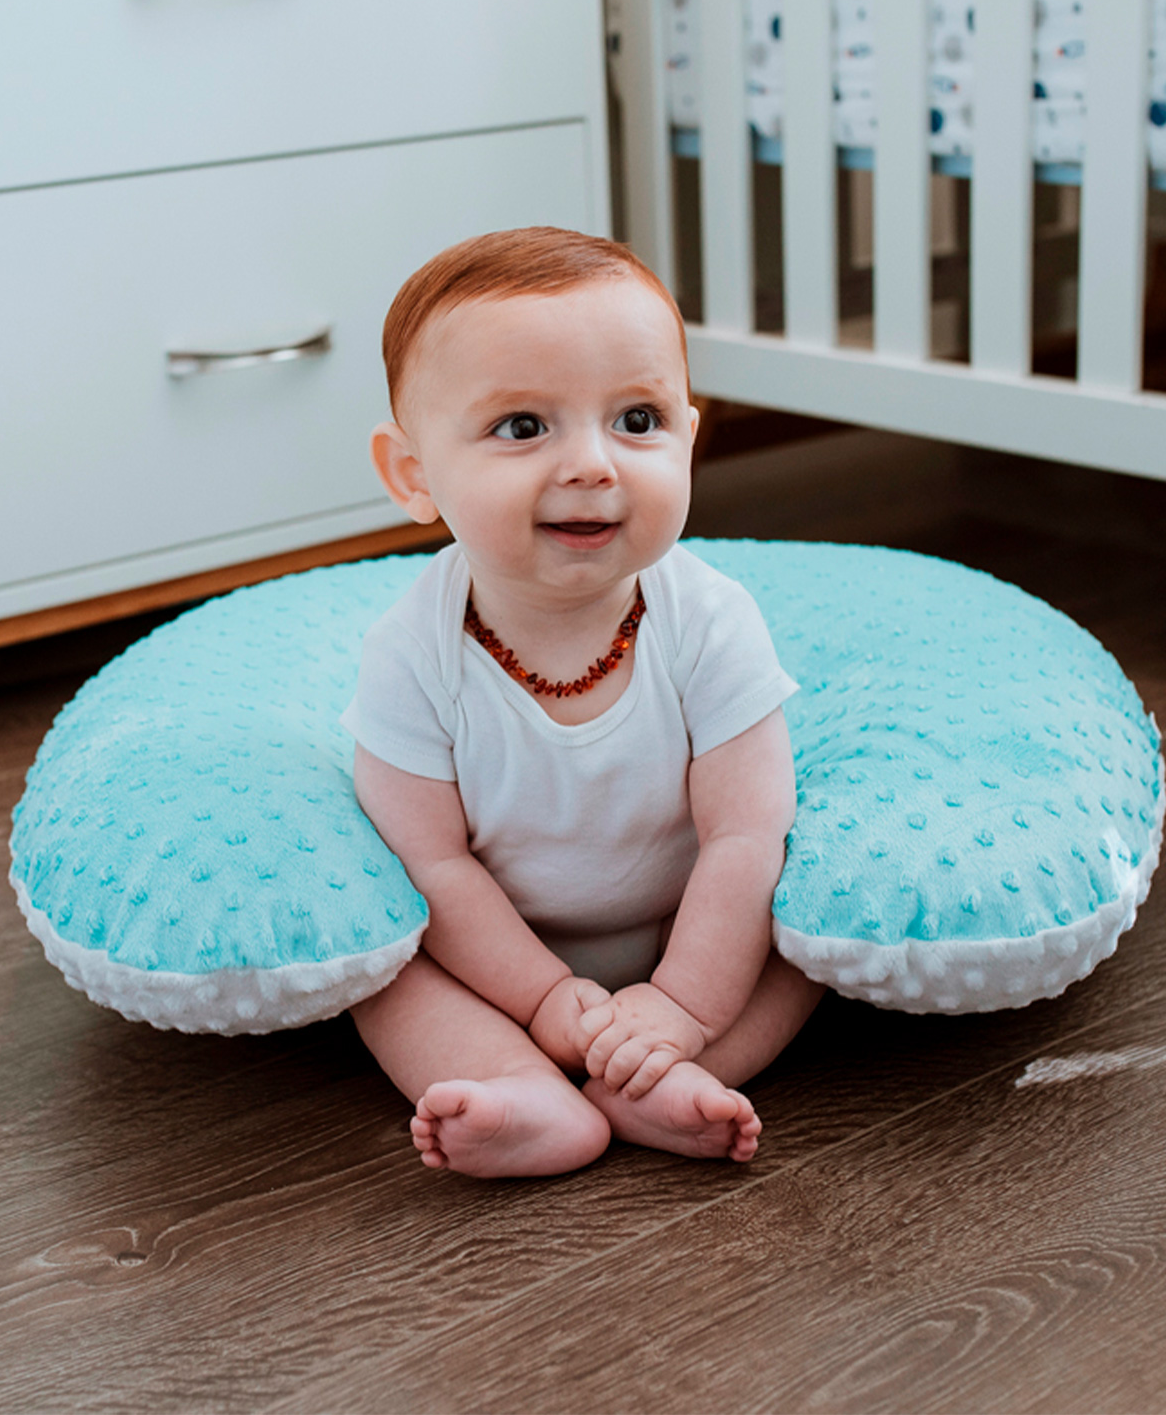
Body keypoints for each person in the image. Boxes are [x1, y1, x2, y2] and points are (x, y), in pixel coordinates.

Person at [341, 227, 824, 1178]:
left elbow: (743, 837)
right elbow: (434, 866)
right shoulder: (411, 652)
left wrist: (682, 1003)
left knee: (806, 937)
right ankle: (518, 1084)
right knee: (380, 968)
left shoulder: (711, 621)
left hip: (697, 930)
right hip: (491, 953)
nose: (594, 465)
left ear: (690, 435)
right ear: (413, 476)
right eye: (524, 428)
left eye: (637, 421)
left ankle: (664, 1074)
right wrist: (543, 998)